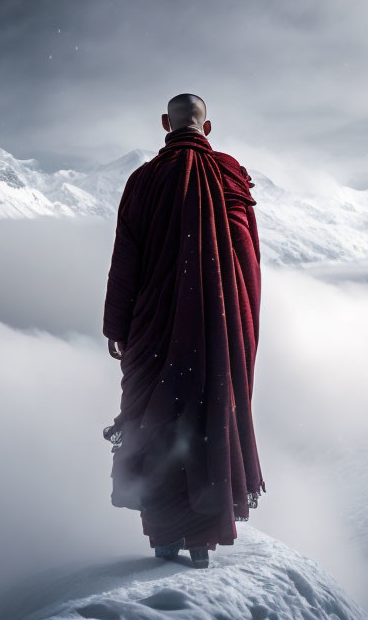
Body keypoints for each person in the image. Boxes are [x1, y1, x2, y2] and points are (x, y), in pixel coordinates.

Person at [102, 93, 266, 569]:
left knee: (154, 422)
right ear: (207, 127)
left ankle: (164, 541)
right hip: (217, 329)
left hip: (153, 329)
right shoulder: (229, 174)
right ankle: (200, 544)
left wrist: (116, 324)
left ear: (164, 124)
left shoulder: (143, 181)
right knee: (206, 418)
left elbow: (125, 261)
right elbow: (246, 260)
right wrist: (237, 325)